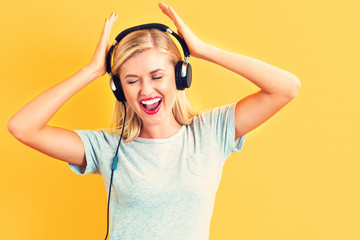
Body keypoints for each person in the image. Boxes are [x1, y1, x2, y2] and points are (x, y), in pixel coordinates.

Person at [7, 2, 301, 240]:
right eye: (132, 81)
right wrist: (91, 70)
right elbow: (22, 127)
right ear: (119, 90)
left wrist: (202, 50)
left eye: (157, 76)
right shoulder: (106, 147)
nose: (146, 91)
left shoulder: (212, 131)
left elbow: (286, 87)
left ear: (180, 76)